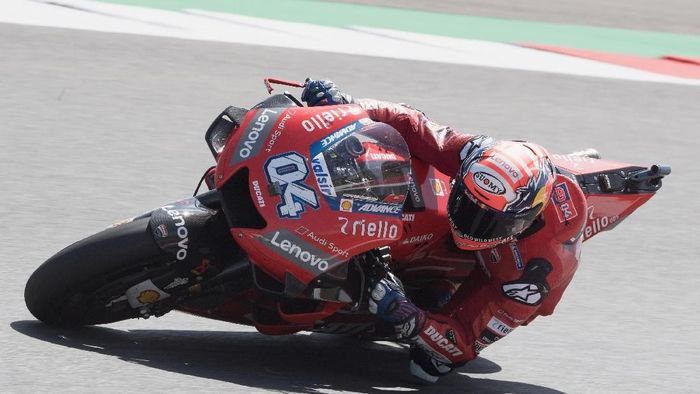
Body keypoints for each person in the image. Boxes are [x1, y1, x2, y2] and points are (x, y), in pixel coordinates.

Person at [301, 79, 588, 383]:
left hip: (501, 274)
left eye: (487, 221)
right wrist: (350, 107)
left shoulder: (534, 275)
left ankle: (432, 292)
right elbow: (411, 123)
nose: (469, 225)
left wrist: (410, 316)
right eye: (466, 204)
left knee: (429, 366)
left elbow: (463, 341)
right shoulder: (477, 154)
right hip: (482, 202)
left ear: (524, 219)